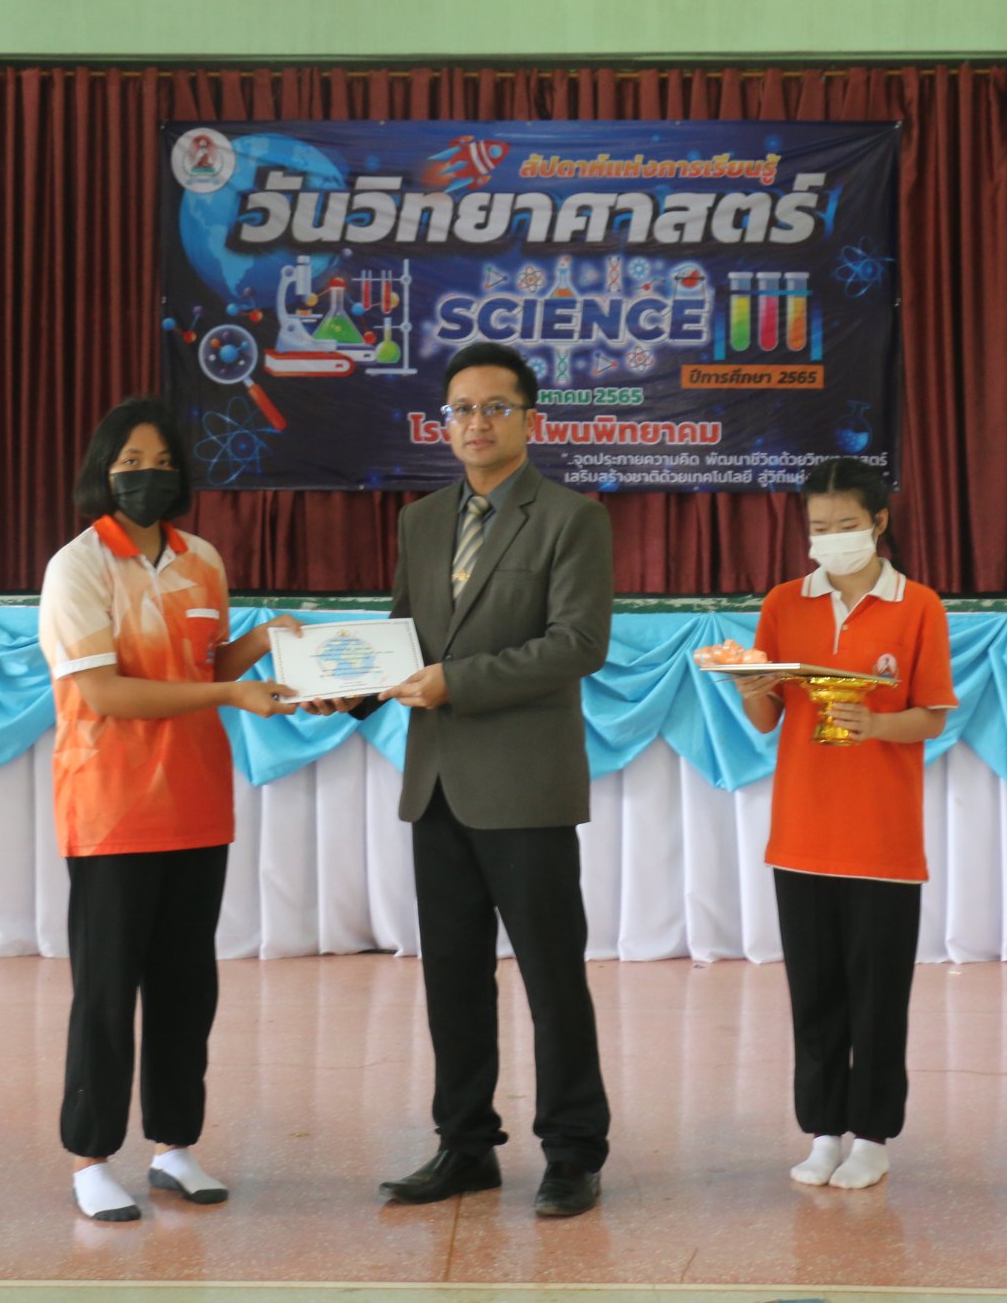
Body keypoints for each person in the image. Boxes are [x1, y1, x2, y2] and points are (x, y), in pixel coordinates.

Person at [303, 341, 614, 1218]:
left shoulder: (572, 518)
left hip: (526, 784)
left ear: (530, 419)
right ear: (445, 424)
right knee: (452, 977)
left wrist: (457, 682)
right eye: (461, 409)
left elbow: (576, 644)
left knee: (552, 977)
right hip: (436, 782)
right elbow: (404, 639)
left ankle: (573, 1151)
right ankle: (465, 1144)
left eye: (494, 407)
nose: (476, 423)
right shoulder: (422, 520)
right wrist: (347, 688)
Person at [37, 397, 300, 1223]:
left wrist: (263, 643)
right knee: (107, 991)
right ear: (102, 471)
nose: (146, 476)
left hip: (197, 800)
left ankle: (174, 1145)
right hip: (110, 806)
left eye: (161, 463)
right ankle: (89, 1158)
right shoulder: (77, 566)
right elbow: (104, 691)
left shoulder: (202, 560)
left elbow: (204, 664)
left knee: (188, 987)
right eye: (130, 463)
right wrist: (230, 692)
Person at [732, 458, 958, 1190]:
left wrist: (878, 724)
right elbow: (764, 719)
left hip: (883, 838)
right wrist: (751, 686)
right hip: (801, 833)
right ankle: (823, 1130)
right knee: (815, 996)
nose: (830, 538)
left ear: (879, 522)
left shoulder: (917, 605)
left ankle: (873, 1137)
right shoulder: (784, 602)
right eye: (819, 526)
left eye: (846, 524)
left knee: (878, 996)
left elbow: (932, 714)